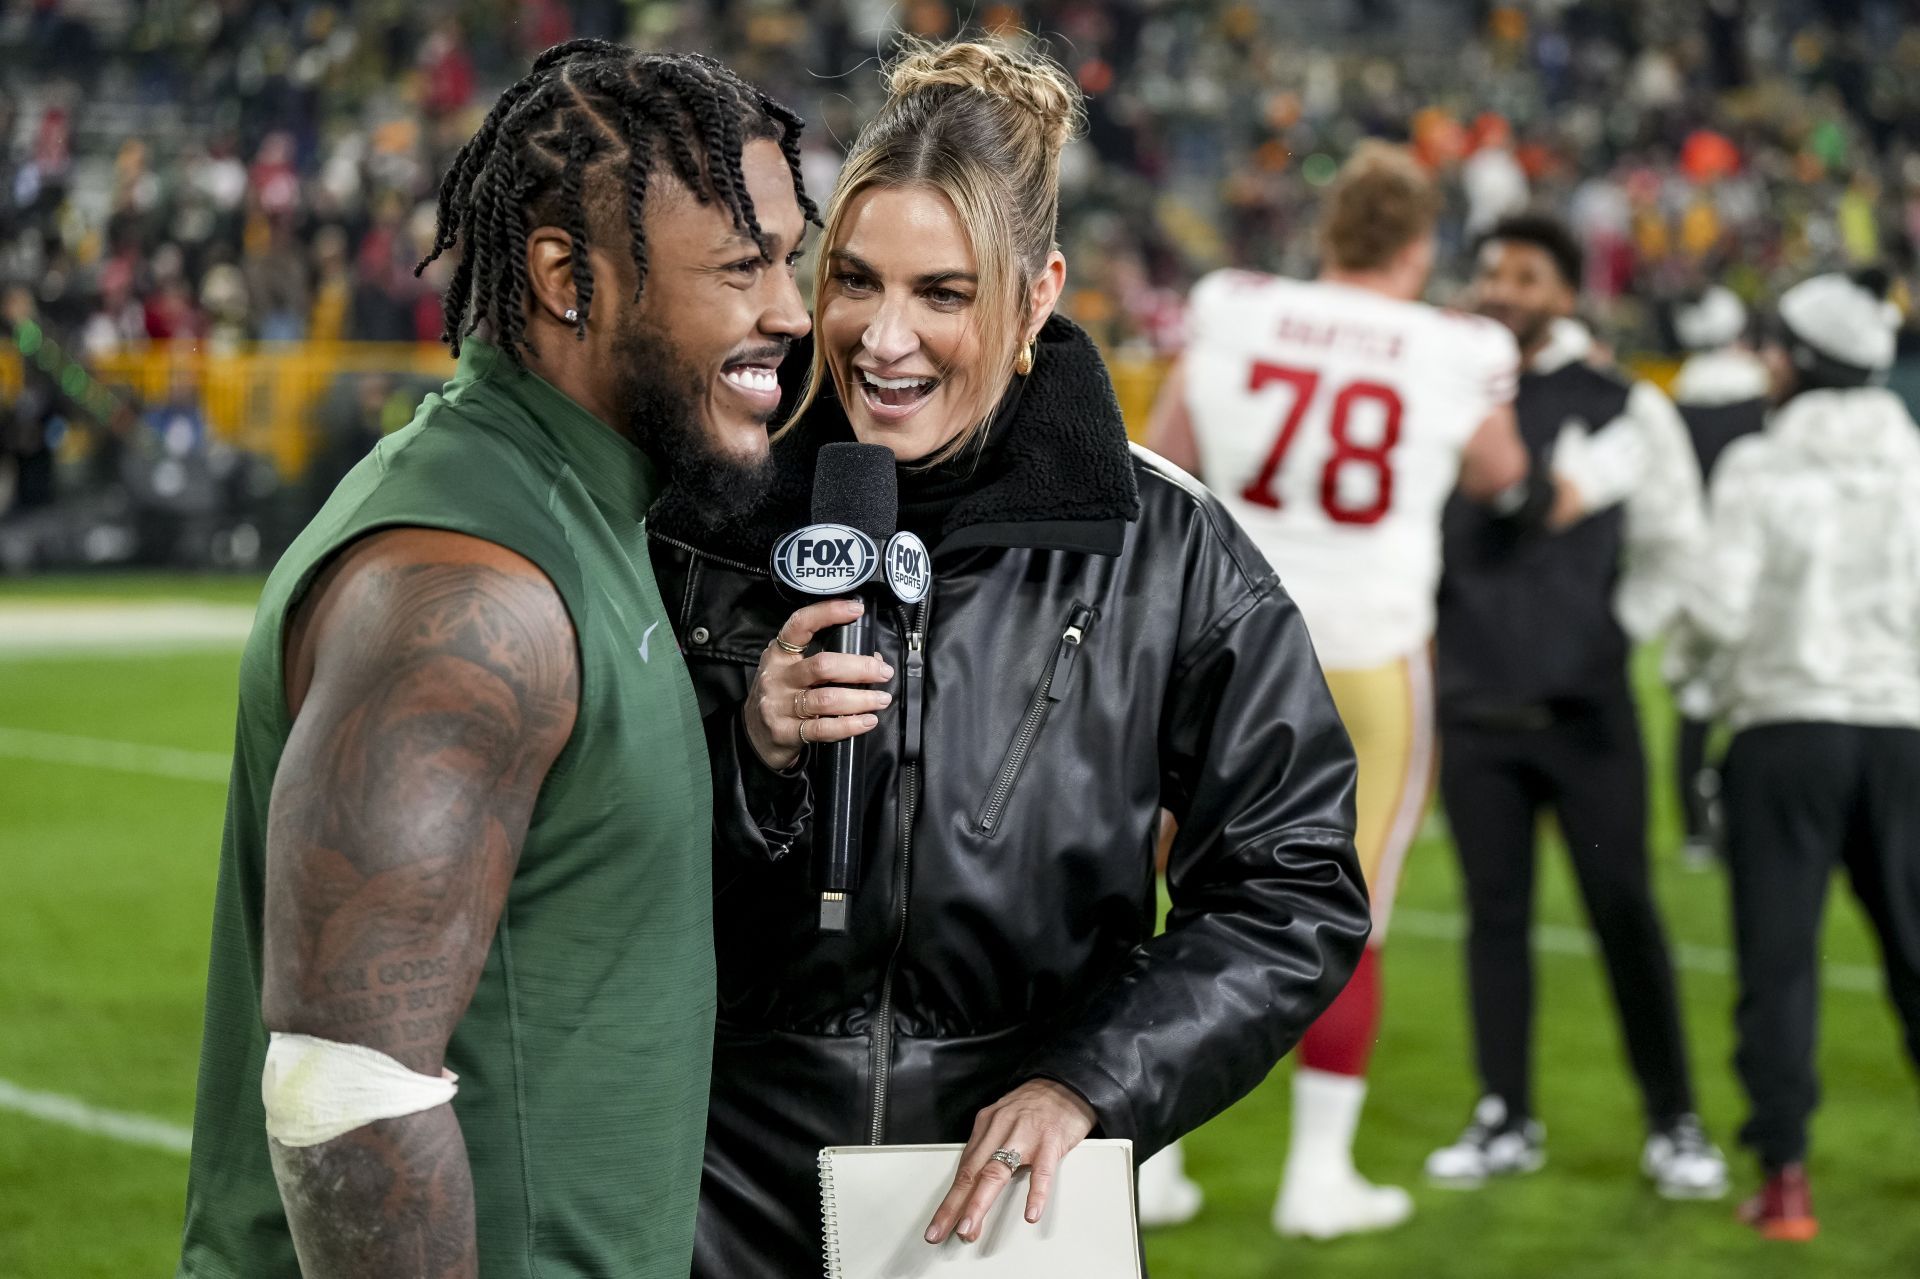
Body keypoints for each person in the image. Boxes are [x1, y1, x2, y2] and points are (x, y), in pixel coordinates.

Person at [647, 40, 1371, 1277]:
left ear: (1036, 298)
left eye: (944, 292)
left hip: (1014, 1197)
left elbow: (1290, 881)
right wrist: (749, 754)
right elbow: (572, 855)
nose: (884, 340)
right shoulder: (698, 517)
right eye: (855, 280)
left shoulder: (1168, 550)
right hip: (707, 1179)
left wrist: (1092, 1083)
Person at [176, 41, 815, 1278]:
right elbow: (345, 1093)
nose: (787, 310)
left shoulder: (576, 492)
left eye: (787, 259)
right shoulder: (471, 588)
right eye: (742, 269)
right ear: (569, 278)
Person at [1144, 142, 1539, 1239]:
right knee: (1348, 912)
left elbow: (1168, 461)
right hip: (1367, 652)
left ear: (1328, 234)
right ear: (1420, 246)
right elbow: (1505, 474)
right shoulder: (1462, 346)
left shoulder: (1237, 307)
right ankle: (1318, 1176)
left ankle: (1147, 1162)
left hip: (1226, 640)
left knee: (1172, 890)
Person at [1423, 213, 1730, 1200]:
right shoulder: (1443, 392)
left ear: (1565, 291)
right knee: (1494, 921)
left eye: (1525, 274)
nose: (1502, 289)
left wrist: (1612, 634)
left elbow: (1677, 540)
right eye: (1491, 272)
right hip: (1474, 710)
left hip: (1585, 714)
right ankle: (1504, 1114)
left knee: (1625, 912)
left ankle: (1674, 1119)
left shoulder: (1622, 400)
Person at [1675, 269, 1920, 1240]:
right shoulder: (1915, 462)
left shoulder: (1758, 465)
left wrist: (1698, 688)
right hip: (1903, 733)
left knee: (1779, 963)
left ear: (1802, 361)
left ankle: (1785, 1183)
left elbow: (1715, 611)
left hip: (1784, 731)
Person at [1667, 284, 1772, 866]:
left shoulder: (1683, 391)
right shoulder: (1756, 390)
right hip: (1751, 556)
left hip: (1700, 557)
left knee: (1696, 699)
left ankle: (1696, 828)